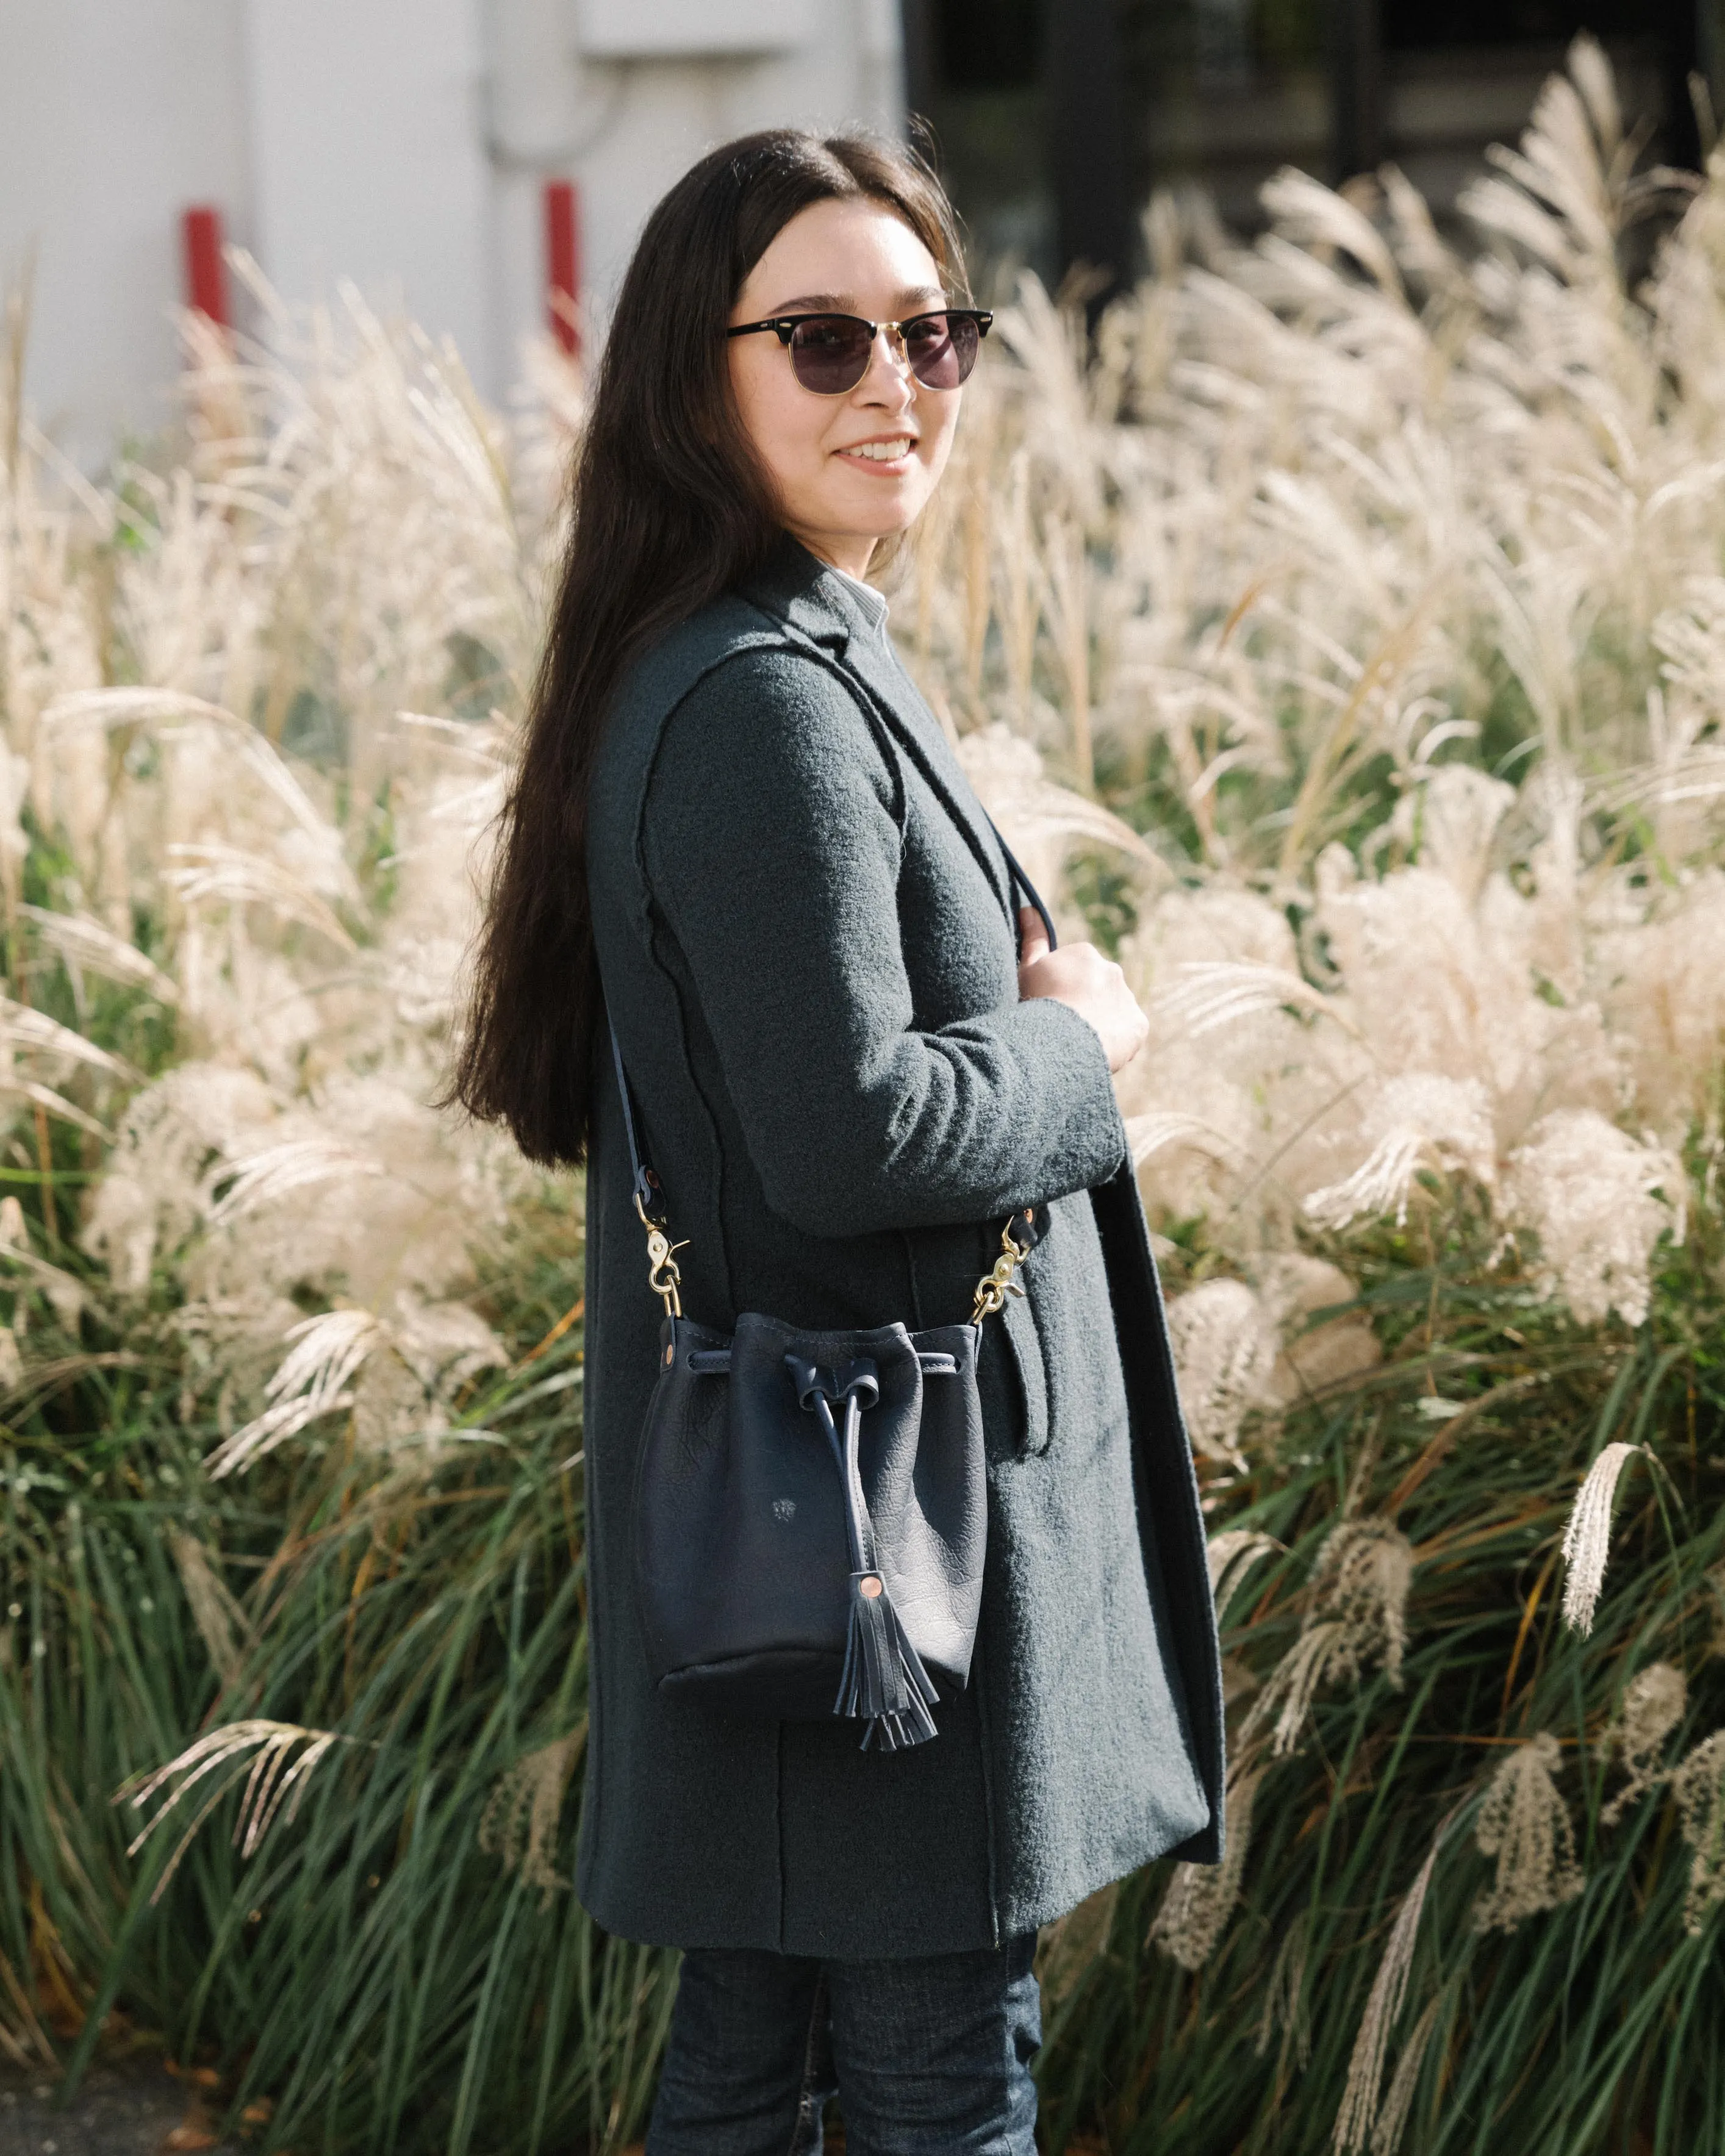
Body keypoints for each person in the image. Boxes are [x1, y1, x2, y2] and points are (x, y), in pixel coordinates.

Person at [451, 128, 1224, 2156]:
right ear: (693, 379)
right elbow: (856, 1132)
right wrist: (1089, 1051)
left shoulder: (784, 648)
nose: (894, 382)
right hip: (880, 1524)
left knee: (756, 2049)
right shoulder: (759, 701)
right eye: (822, 338)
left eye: (931, 333)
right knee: (935, 2083)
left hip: (831, 1502)